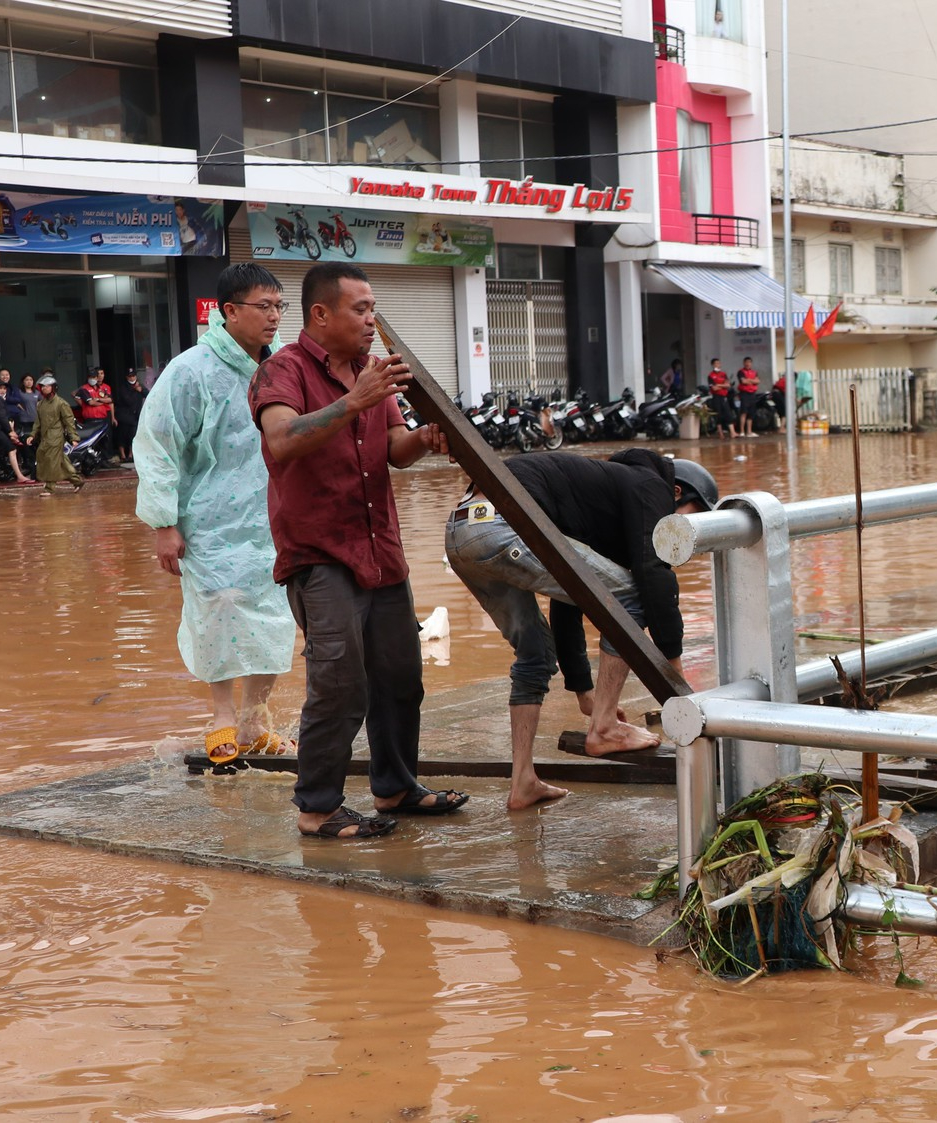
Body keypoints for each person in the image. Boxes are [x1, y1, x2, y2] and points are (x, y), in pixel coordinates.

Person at [251, 261, 456, 842]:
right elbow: (282, 440)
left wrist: (426, 439)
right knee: (339, 681)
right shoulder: (281, 372)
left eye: (373, 309)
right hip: (320, 553)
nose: (373, 321)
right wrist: (353, 402)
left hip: (380, 549)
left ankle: (395, 787)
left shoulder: (370, 372)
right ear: (321, 314)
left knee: (400, 676)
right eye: (361, 310)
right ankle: (317, 808)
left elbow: (395, 448)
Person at [445, 451, 718, 810]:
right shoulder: (652, 485)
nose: (688, 535)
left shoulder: (598, 496)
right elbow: (654, 574)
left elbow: (573, 596)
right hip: (501, 527)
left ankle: (523, 782)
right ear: (678, 492)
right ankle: (604, 728)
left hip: (462, 529)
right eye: (692, 520)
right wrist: (673, 668)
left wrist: (584, 692)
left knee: (536, 655)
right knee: (630, 596)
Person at [135, 263, 298, 770]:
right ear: (229, 311)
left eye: (279, 306)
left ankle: (255, 720)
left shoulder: (281, 369)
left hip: (274, 516)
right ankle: (221, 717)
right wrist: (164, 523)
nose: (273, 317)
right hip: (207, 520)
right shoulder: (191, 371)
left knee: (275, 616)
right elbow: (157, 445)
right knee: (218, 611)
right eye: (263, 306)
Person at [28, 374, 84, 495]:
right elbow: (38, 422)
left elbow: (69, 421)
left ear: (53, 387)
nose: (43, 388)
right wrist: (32, 435)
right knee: (60, 461)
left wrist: (73, 437)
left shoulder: (61, 403)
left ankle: (49, 487)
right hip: (45, 437)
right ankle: (77, 481)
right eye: (42, 386)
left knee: (51, 460)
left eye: (46, 386)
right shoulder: (41, 404)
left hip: (56, 436)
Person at [111, 367, 147, 463]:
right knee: (122, 435)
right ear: (127, 377)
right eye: (130, 376)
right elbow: (128, 400)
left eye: (133, 376)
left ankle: (131, 455)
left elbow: (148, 394)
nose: (132, 378)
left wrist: (140, 390)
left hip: (135, 416)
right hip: (124, 416)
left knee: (133, 435)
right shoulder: (123, 387)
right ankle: (123, 455)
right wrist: (135, 390)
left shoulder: (140, 385)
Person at [75, 367, 114, 433]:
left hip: (103, 418)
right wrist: (103, 402)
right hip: (91, 420)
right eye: (90, 377)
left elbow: (110, 400)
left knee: (106, 439)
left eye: (94, 377)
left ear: (96, 378)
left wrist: (99, 399)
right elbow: (91, 402)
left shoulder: (102, 388)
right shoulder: (84, 388)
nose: (92, 379)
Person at [6, 371, 37, 447]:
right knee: (25, 439)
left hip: (35, 419)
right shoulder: (19, 392)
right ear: (23, 382)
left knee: (35, 439)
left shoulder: (37, 392)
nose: (29, 382)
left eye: (31, 380)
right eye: (27, 380)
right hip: (24, 419)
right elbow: (14, 400)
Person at [705, 357, 734, 438]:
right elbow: (714, 388)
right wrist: (722, 386)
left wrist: (719, 385)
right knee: (719, 415)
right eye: (716, 363)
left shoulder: (723, 374)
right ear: (712, 365)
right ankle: (720, 433)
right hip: (716, 397)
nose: (718, 365)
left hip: (723, 396)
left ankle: (733, 432)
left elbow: (728, 385)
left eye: (719, 363)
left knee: (728, 413)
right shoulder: (711, 376)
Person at [734, 356, 760, 437]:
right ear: (744, 363)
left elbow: (758, 381)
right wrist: (752, 381)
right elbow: (743, 381)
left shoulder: (754, 372)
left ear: (751, 363)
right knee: (744, 412)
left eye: (749, 362)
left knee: (751, 413)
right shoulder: (741, 372)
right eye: (746, 362)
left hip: (752, 394)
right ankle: (742, 431)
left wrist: (749, 380)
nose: (748, 364)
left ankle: (749, 431)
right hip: (744, 394)